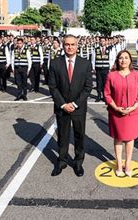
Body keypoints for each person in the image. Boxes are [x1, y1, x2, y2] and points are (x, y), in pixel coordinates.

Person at [49, 35, 92, 177]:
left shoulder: (85, 63)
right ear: (63, 45)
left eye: (73, 44)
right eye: (67, 44)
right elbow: (53, 87)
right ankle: (61, 161)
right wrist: (62, 104)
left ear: (77, 45)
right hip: (62, 108)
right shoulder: (55, 63)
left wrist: (74, 104)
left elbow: (87, 87)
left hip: (78, 107)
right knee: (63, 135)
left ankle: (78, 162)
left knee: (79, 136)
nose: (70, 47)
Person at [104, 50, 138, 177]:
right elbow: (107, 94)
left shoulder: (137, 75)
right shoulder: (112, 75)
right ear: (117, 60)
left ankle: (127, 163)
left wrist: (133, 107)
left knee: (130, 139)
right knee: (118, 138)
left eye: (126, 58)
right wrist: (116, 107)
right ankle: (118, 163)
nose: (123, 60)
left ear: (130, 60)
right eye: (121, 58)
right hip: (116, 113)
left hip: (132, 113)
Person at [92, 37, 115, 102]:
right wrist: (93, 68)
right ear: (99, 42)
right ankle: (99, 95)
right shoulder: (96, 49)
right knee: (99, 83)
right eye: (101, 41)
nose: (102, 42)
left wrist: (110, 67)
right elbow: (93, 59)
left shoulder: (109, 49)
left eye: (103, 41)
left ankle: (105, 96)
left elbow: (111, 59)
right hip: (98, 69)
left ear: (106, 42)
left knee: (105, 83)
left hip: (106, 68)